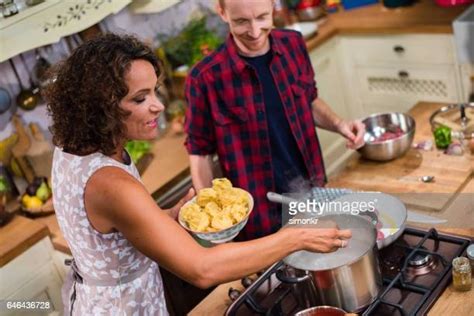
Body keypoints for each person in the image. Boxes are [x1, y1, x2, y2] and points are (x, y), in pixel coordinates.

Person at [44, 33, 351, 315]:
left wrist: (164, 217)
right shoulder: (111, 184)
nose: (159, 106)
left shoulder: (73, 149)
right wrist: (295, 237)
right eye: (140, 99)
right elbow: (202, 269)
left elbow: (108, 235)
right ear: (101, 108)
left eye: (154, 92)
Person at [184, 0, 365, 240]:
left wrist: (340, 124)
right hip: (259, 214)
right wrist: (212, 219)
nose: (255, 31)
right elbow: (200, 152)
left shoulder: (293, 44)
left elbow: (308, 101)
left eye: (262, 17)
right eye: (241, 21)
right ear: (222, 12)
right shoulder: (205, 78)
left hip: (311, 190)